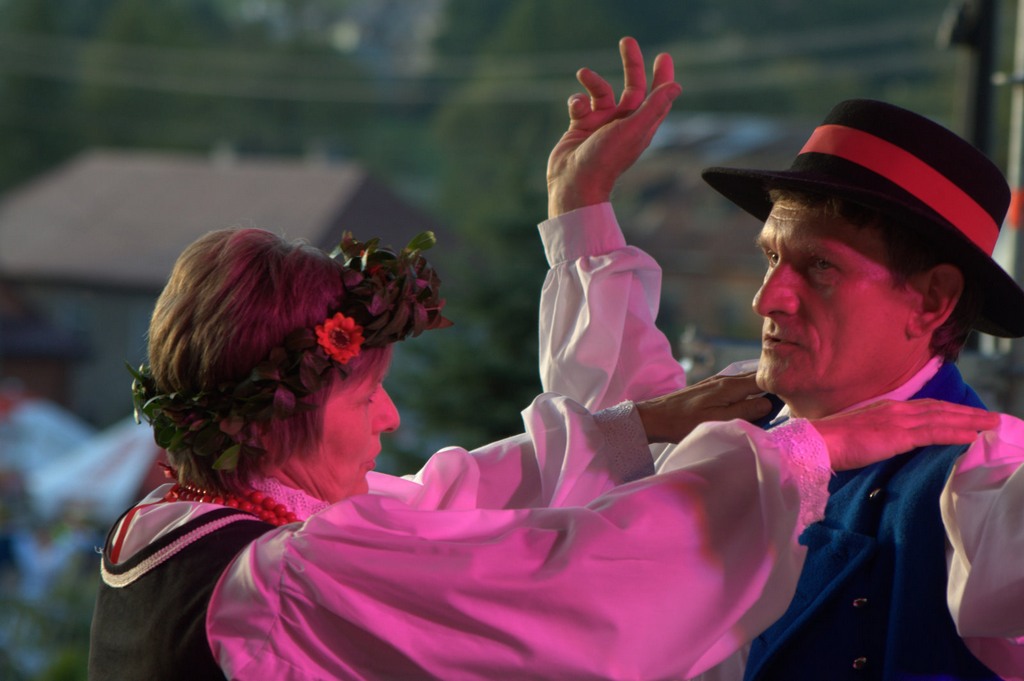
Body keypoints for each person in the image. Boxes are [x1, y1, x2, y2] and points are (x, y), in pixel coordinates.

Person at [84, 227, 993, 681]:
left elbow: (436, 505)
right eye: (364, 396)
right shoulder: (290, 575)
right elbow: (569, 583)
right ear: (271, 418)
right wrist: (802, 451)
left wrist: (640, 423)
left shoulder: (177, 524)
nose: (390, 417)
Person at [540, 37, 1024, 680]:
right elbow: (619, 426)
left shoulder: (980, 474)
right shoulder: (740, 414)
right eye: (771, 257)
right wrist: (580, 201)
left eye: (820, 266)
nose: (767, 299)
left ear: (932, 299)